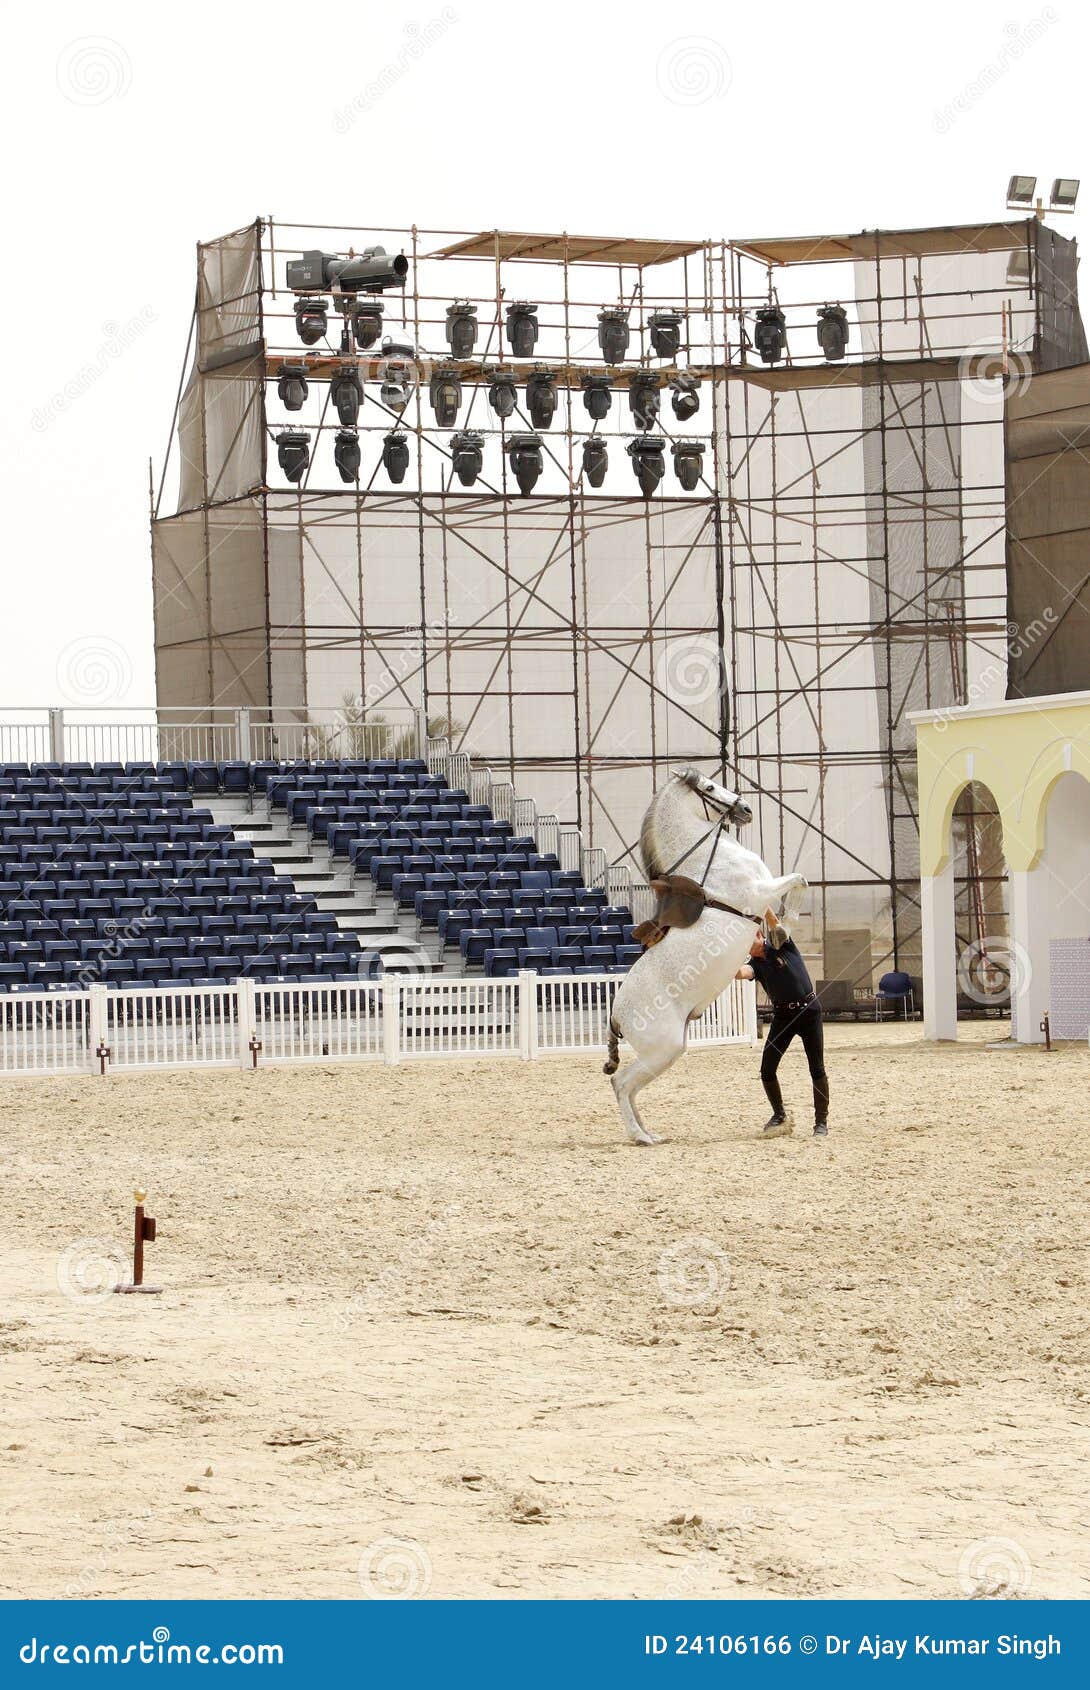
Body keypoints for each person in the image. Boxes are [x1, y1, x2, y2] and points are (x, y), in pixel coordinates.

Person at [736, 908, 829, 1138]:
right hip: (783, 1017)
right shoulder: (754, 965)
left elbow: (774, 923)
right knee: (767, 1069)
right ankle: (779, 1114)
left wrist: (764, 903)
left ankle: (821, 1122)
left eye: (751, 938)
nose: (749, 944)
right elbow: (740, 972)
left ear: (759, 935)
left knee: (816, 1068)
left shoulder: (780, 944)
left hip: (809, 1012)